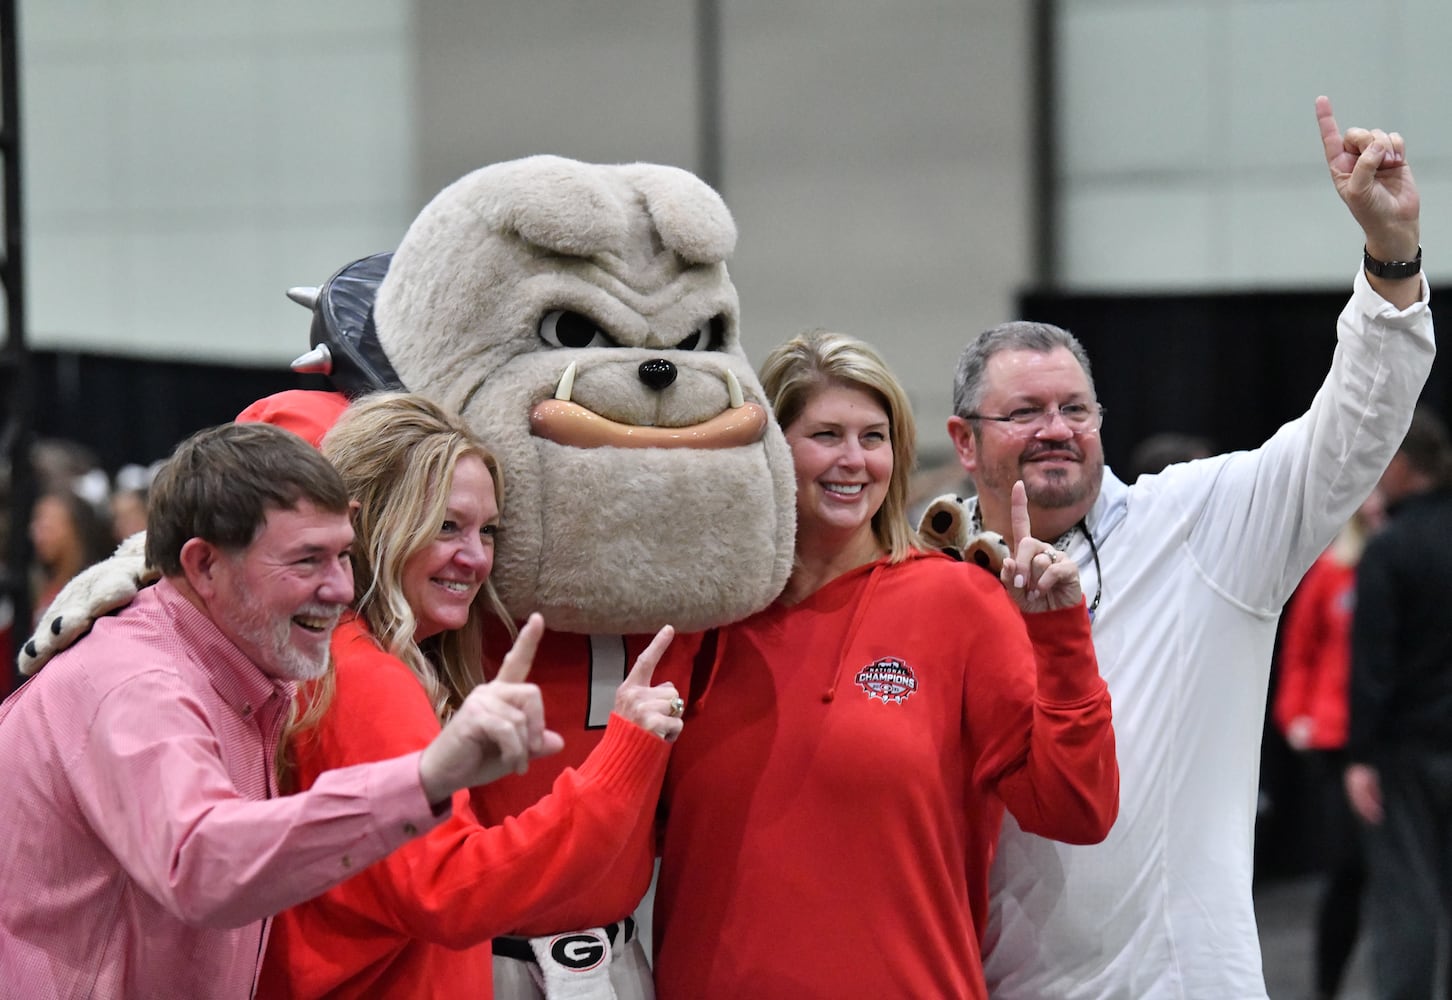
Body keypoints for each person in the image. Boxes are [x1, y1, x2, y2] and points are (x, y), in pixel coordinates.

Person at [940, 96, 1434, 999]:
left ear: (1102, 421)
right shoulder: (926, 578)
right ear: (964, 441)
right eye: (1024, 413)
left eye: (1074, 409)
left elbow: (1355, 426)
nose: (1056, 430)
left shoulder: (1201, 525)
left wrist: (1390, 255)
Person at [0, 421, 564, 999]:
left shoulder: (232, 662)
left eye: (344, 555)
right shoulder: (140, 685)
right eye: (306, 560)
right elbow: (200, 863)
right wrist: (424, 780)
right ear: (203, 566)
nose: (342, 588)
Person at [651, 330, 1119, 999]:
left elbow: (1077, 810)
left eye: (874, 437)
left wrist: (1061, 638)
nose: (853, 460)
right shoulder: (707, 616)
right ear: (770, 449)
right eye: (826, 435)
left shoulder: (959, 603)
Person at [256, 392, 685, 1000]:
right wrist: (624, 756)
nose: (476, 557)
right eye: (446, 526)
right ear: (376, 520)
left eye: (488, 530)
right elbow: (451, 890)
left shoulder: (337, 656)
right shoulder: (369, 680)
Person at [1346, 407, 1452, 1000]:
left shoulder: (1391, 549)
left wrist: (1360, 755)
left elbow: (1373, 666)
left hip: (1407, 753)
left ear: (1405, 465)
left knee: (1406, 900)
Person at [1273, 490, 1384, 1000]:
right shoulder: (1331, 570)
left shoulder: (1400, 559)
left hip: (1389, 740)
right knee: (1347, 871)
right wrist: (1294, 715)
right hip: (1334, 742)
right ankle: (1326, 989)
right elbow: (1300, 649)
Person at [29, 486, 113, 623]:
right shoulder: (36, 586)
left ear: (74, 529)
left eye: (46, 527)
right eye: (35, 526)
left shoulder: (93, 589)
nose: (37, 535)